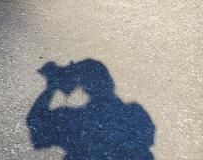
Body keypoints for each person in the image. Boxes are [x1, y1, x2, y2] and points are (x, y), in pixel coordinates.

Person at [27, 59, 155, 159]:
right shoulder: (134, 113)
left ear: (83, 87)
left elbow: (34, 121)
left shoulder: (73, 120)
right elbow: (147, 140)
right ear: (109, 82)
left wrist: (52, 86)